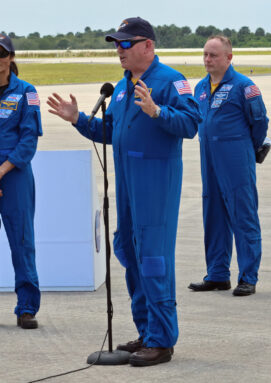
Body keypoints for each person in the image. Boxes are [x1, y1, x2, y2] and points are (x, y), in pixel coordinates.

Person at [47, 17, 201, 366]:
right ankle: (147, 332)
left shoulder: (170, 81)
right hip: (128, 184)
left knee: (152, 257)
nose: (119, 49)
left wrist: (157, 111)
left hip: (156, 183)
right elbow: (111, 132)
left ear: (147, 45)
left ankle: (162, 340)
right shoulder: (121, 87)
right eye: (116, 44)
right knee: (128, 251)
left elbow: (191, 124)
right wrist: (78, 120)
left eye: (126, 43)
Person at [188, 35, 268, 296]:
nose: (208, 60)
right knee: (213, 216)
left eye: (214, 55)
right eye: (205, 55)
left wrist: (246, 149)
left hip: (235, 158)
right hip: (208, 157)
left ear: (229, 58)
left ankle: (248, 276)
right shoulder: (200, 88)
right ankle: (217, 274)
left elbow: (260, 122)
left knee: (243, 215)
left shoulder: (244, 86)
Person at [0, 34, 42, 329]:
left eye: (2, 54)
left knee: (22, 242)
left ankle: (26, 307)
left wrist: (2, 170)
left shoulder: (26, 92)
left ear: (11, 58)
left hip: (14, 175)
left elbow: (29, 140)